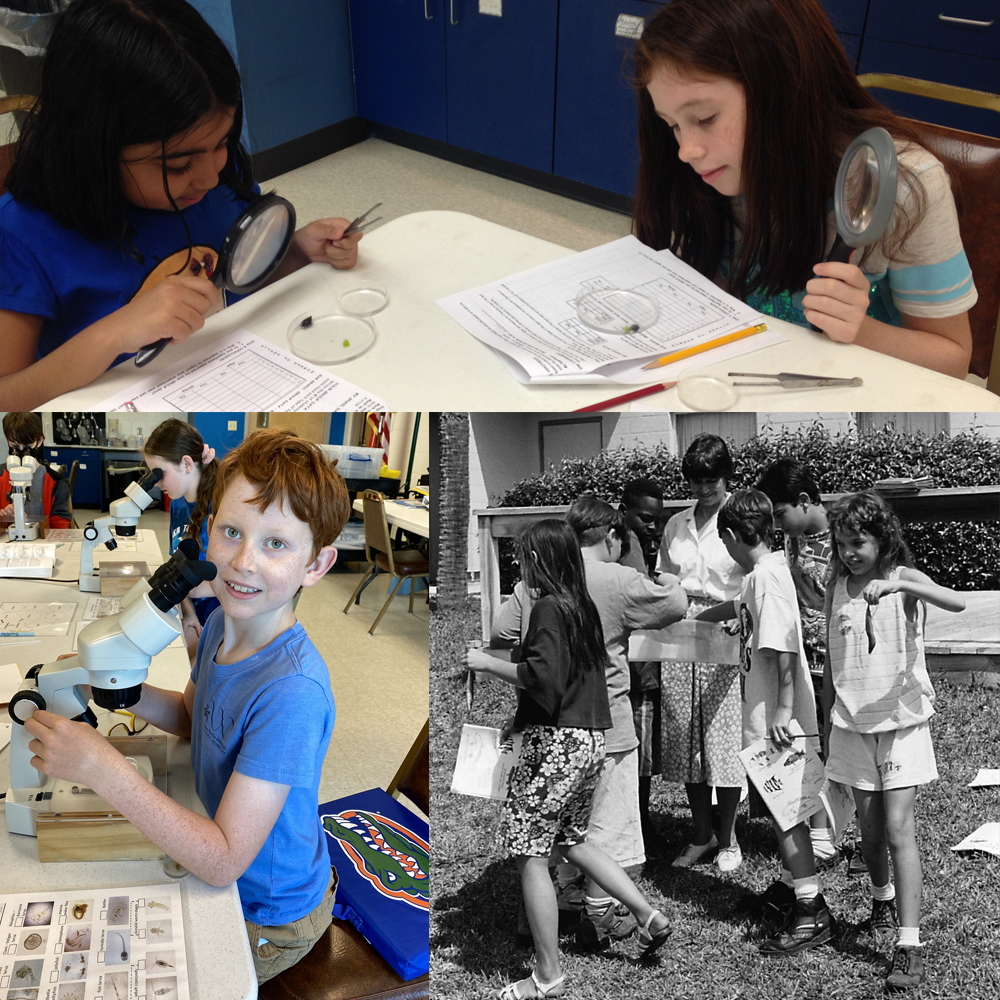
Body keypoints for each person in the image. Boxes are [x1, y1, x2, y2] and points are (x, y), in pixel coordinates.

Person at [23, 428, 351, 985]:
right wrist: (114, 688)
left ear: (315, 565)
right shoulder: (224, 620)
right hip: (218, 840)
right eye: (231, 532)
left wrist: (103, 769)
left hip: (268, 914)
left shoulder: (292, 693)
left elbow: (224, 862)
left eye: (276, 543)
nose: (243, 561)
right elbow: (193, 719)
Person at [0, 0, 363, 410]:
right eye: (177, 164)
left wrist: (296, 250)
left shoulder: (215, 181)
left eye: (223, 143)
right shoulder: (21, 237)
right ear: (93, 147)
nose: (210, 177)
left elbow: (237, 279)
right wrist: (113, 334)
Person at [632, 0, 975, 379]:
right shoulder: (715, 175)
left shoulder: (903, 186)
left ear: (783, 89)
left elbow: (954, 360)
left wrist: (861, 331)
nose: (686, 151)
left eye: (705, 118)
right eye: (672, 125)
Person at [468, 519, 673, 998]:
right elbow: (568, 678)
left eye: (525, 558)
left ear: (544, 560)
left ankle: (547, 974)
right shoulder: (580, 607)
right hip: (589, 742)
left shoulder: (544, 607)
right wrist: (521, 720)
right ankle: (649, 914)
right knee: (572, 840)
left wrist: (488, 662)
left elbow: (542, 678)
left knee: (530, 854)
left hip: (555, 748)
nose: (521, 568)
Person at [823, 491, 965, 991]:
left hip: (901, 723)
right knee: (871, 830)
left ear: (882, 539)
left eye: (857, 543)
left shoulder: (904, 579)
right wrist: (828, 718)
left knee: (899, 827)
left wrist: (901, 586)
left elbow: (957, 600)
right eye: (841, 543)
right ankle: (881, 898)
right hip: (852, 724)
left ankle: (909, 944)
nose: (848, 553)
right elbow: (833, 658)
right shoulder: (836, 585)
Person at [700, 489, 835, 956]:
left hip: (776, 720)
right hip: (770, 714)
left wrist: (781, 709)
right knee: (785, 812)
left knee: (786, 814)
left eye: (725, 543)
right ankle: (788, 889)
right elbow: (740, 609)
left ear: (735, 536)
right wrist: (696, 616)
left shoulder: (765, 578)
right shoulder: (768, 571)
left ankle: (811, 909)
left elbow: (782, 644)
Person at [658, 434, 745, 871]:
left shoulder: (740, 515)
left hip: (727, 623)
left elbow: (753, 573)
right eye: (695, 481)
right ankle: (701, 833)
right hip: (681, 628)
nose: (704, 489)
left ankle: (729, 839)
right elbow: (665, 576)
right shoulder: (677, 524)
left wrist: (740, 616)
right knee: (686, 736)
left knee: (723, 737)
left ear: (726, 475)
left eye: (711, 479)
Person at [756, 458, 839, 865]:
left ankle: (854, 831)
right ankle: (825, 831)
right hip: (805, 667)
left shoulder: (846, 536)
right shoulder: (790, 542)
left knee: (844, 747)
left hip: (840, 662)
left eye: (780, 513)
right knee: (817, 746)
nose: (776, 525)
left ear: (804, 500)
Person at [144, 417, 221, 662]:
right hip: (191, 611)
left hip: (221, 617)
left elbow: (232, 577)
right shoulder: (178, 501)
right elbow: (177, 564)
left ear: (187, 463)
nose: (155, 482)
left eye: (160, 473)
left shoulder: (221, 508)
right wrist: (187, 612)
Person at [618, 477, 669, 848]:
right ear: (624, 514)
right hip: (633, 671)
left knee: (641, 754)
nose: (652, 526)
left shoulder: (643, 544)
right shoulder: (628, 545)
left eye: (658, 519)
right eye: (644, 518)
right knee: (635, 755)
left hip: (643, 668)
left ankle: (641, 821)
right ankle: (637, 827)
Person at [1, 412, 72, 529]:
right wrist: (3, 516)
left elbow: (60, 526)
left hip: (43, 541)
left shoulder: (58, 482)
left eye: (28, 444)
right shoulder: (1, 475)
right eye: (14, 445)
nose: (21, 450)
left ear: (39, 441)